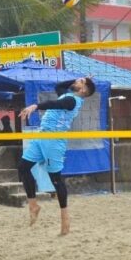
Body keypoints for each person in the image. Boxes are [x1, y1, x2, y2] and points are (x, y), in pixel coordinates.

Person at [18, 77, 96, 235]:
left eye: (80, 82)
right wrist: (78, 79)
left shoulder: (73, 101)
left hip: (54, 141)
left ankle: (65, 218)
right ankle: (33, 204)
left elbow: (55, 104)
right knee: (23, 167)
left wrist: (36, 106)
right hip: (42, 136)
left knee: (56, 179)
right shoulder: (67, 95)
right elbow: (59, 86)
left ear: (83, 90)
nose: (76, 81)